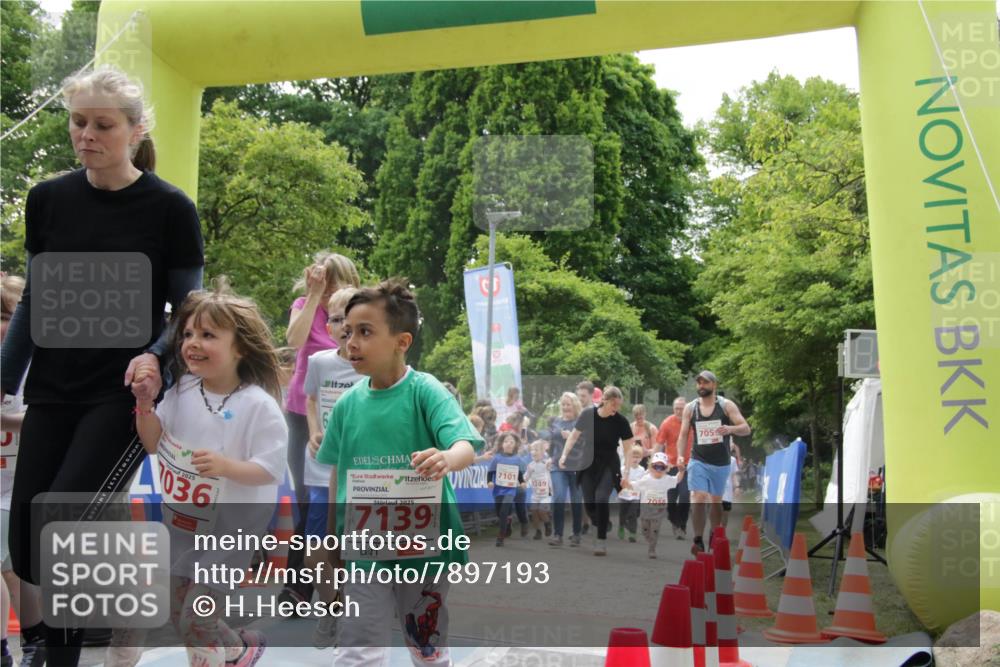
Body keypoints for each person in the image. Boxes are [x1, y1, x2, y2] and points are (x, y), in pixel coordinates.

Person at [0, 65, 204, 665]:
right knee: (27, 544)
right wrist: (4, 379)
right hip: (54, 390)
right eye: (78, 121)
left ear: (136, 131)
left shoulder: (170, 208)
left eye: (102, 124)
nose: (85, 134)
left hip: (122, 396)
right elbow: (37, 299)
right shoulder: (48, 199)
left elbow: (186, 310)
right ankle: (57, 638)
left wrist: (155, 355)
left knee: (63, 522)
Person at [315, 279, 480, 666]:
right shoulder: (346, 406)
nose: (350, 341)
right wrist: (331, 538)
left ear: (401, 342)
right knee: (356, 645)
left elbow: (465, 445)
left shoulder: (426, 391)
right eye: (348, 331)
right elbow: (337, 474)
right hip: (364, 548)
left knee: (426, 646)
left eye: (365, 332)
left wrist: (446, 458)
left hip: (422, 549)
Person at [131, 283, 287, 666]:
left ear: (241, 347)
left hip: (231, 532)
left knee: (197, 620)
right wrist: (145, 406)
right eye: (187, 334)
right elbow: (153, 443)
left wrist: (225, 467)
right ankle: (238, 649)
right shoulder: (182, 389)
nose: (192, 343)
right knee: (179, 615)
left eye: (207, 335)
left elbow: (269, 471)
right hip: (183, 525)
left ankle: (228, 653)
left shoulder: (259, 406)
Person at [281, 251, 360, 608]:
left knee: (345, 501)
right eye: (323, 282)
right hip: (304, 415)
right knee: (307, 499)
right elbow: (294, 341)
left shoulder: (361, 313)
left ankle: (348, 580)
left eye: (334, 283)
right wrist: (313, 298)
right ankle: (298, 585)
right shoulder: (306, 304)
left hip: (352, 420)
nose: (329, 290)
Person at [302, 287, 362, 649]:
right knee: (316, 551)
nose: (343, 327)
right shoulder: (320, 362)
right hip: (323, 467)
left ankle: (356, 616)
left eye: (352, 321)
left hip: (364, 475)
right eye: (337, 319)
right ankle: (330, 608)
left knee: (355, 549)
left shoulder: (374, 366)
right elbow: (310, 399)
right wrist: (313, 432)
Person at [1, 275, 45, 667]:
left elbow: (45, 418)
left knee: (15, 567)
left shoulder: (35, 365)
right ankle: (34, 641)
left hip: (18, 485)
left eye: (4, 316)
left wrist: (6, 419)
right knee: (11, 570)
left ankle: (22, 644)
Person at [677, 371, 751, 556]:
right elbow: (684, 434)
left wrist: (730, 429)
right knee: (699, 496)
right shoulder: (690, 408)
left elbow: (745, 428)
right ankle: (698, 540)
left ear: (714, 385)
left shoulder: (726, 406)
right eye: (699, 383)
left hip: (720, 462)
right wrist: (680, 456)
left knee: (716, 500)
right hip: (698, 459)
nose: (701, 386)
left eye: (705, 383)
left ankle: (714, 533)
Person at [559, 386, 636, 556]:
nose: (616, 409)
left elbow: (629, 448)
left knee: (601, 498)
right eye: (613, 405)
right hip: (587, 463)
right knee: (589, 503)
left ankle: (600, 541)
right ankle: (601, 521)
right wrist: (564, 455)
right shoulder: (587, 415)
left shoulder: (620, 421)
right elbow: (573, 436)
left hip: (609, 464)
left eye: (618, 406)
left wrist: (627, 473)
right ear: (604, 401)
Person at [622, 452, 678, 559]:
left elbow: (677, 480)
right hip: (646, 509)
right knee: (645, 530)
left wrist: (681, 471)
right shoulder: (646, 479)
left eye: (661, 467)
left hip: (659, 509)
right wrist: (626, 484)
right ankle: (649, 538)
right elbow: (635, 485)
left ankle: (652, 548)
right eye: (656, 466)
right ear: (651, 467)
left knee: (655, 529)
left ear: (666, 468)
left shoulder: (667, 479)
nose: (658, 469)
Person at [546, 392, 584, 547]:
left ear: (574, 405)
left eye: (568, 404)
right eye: (563, 404)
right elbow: (552, 442)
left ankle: (576, 534)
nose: (565, 407)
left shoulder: (581, 422)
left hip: (577, 466)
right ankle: (557, 534)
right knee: (559, 497)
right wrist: (549, 457)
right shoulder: (556, 421)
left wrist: (572, 437)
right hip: (558, 466)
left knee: (576, 500)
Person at [657, 396, 691, 539]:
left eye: (681, 409)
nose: (678, 411)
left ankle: (682, 525)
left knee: (684, 496)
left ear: (686, 410)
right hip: (671, 466)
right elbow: (659, 444)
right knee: (670, 500)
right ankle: (674, 521)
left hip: (689, 465)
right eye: (676, 408)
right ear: (673, 409)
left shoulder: (692, 424)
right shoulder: (667, 423)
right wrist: (655, 463)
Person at [487, 432, 526, 547]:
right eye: (506, 441)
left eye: (511, 442)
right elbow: (490, 472)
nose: (508, 444)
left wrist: (522, 481)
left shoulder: (517, 459)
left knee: (504, 511)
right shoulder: (497, 458)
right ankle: (508, 521)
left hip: (510, 490)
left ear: (515, 445)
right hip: (498, 490)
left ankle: (501, 536)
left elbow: (518, 473)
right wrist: (489, 481)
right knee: (499, 512)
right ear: (501, 444)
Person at [523, 440, 553, 539]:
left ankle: (547, 524)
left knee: (541, 511)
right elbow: (526, 477)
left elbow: (552, 465)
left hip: (546, 494)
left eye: (536, 450)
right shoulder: (530, 465)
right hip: (536, 494)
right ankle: (538, 531)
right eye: (532, 450)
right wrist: (522, 482)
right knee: (534, 512)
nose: (533, 452)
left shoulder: (546, 463)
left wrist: (550, 463)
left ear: (543, 451)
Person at [617, 445, 645, 542]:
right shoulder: (623, 469)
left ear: (641, 459)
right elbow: (619, 482)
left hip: (635, 496)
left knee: (633, 514)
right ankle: (621, 526)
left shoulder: (642, 470)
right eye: (633, 456)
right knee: (622, 514)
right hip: (624, 496)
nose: (635, 459)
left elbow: (643, 483)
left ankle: (632, 533)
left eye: (638, 457)